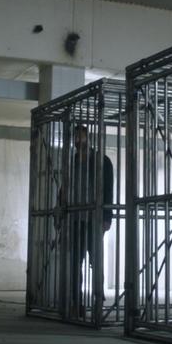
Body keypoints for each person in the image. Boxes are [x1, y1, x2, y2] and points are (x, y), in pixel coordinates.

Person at [65, 124, 114, 318]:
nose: (78, 141)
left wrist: (107, 217)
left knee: (96, 261)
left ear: (88, 138)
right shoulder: (73, 160)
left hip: (94, 218)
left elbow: (109, 189)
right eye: (76, 138)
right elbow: (68, 186)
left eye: (81, 137)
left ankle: (97, 301)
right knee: (76, 262)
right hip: (77, 217)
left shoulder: (102, 160)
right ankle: (77, 302)